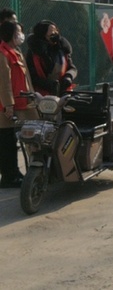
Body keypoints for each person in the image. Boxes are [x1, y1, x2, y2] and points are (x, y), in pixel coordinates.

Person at [0, 21, 38, 188]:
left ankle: (24, 172)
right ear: (9, 35)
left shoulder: (16, 53)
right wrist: (8, 106)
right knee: (7, 143)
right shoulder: (2, 54)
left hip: (24, 103)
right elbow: (4, 83)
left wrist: (32, 96)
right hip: (8, 108)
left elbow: (26, 78)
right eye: (18, 33)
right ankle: (10, 176)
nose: (21, 36)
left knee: (31, 137)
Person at [26, 20, 77, 96]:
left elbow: (72, 68)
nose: (55, 33)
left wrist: (69, 76)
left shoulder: (62, 49)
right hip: (41, 95)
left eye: (56, 30)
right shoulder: (34, 53)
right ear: (43, 34)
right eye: (51, 31)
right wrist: (48, 84)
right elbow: (31, 76)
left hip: (64, 92)